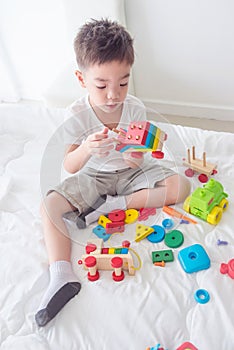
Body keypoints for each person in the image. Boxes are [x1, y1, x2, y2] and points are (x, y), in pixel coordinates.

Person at [35, 18, 190, 327]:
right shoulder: (76, 115)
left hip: (131, 175)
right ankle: (62, 275)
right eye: (101, 85)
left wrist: (133, 156)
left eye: (123, 82)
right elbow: (69, 165)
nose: (113, 94)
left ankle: (114, 205)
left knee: (181, 186)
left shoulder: (134, 108)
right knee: (48, 206)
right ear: (81, 79)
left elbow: (137, 156)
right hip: (93, 176)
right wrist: (87, 149)